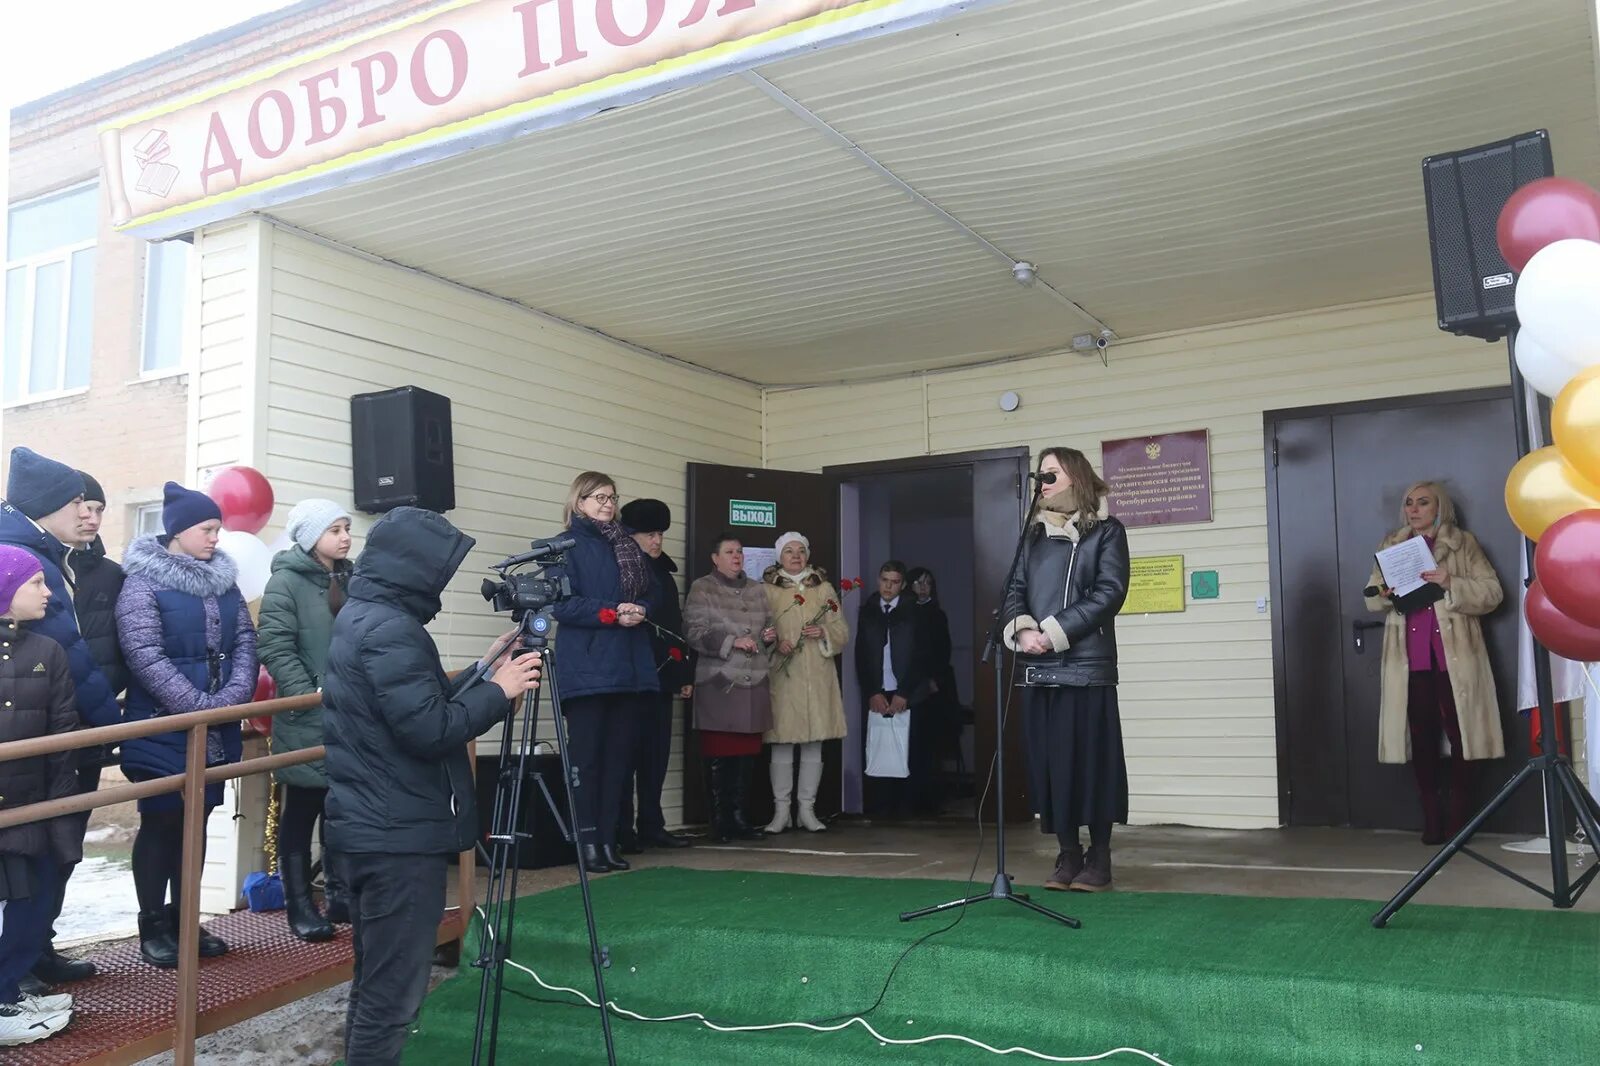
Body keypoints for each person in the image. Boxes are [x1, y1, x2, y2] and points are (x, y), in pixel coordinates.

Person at [322, 505, 539, 1066]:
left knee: (379, 985)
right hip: (396, 839)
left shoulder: (369, 615)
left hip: (380, 827)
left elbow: (413, 701)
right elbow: (429, 728)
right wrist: (502, 691)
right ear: (414, 569)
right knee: (390, 997)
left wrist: (484, 669)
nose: (443, 582)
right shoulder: (390, 628)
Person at [117, 482, 259, 967]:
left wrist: (230, 700)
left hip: (213, 729)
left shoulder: (224, 581)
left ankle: (185, 919)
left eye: (218, 528)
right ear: (178, 531)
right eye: (207, 528)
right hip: (161, 727)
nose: (216, 537)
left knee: (197, 822)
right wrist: (197, 705)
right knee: (161, 822)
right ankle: (153, 925)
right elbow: (144, 654)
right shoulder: (143, 582)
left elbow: (244, 641)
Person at [0, 448, 121, 987]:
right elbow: (67, 649)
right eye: (76, 502)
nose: (87, 514)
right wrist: (105, 727)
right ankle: (14, 970)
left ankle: (32, 954)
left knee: (51, 854)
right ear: (46, 506)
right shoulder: (27, 556)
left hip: (55, 730)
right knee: (30, 861)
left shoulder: (50, 553)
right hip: (41, 739)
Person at [1003, 448, 1129, 893]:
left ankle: (1099, 857)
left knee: (1092, 766)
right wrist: (1022, 632)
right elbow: (1015, 591)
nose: (1043, 481)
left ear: (1074, 477)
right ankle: (1068, 853)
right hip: (1039, 670)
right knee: (1052, 768)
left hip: (1086, 670)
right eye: (1040, 474)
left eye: (1051, 474)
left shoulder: (1107, 532)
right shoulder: (1031, 537)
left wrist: (1054, 631)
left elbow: (1109, 592)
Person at [1365, 481, 1504, 845]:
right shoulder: (1391, 545)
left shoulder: (1463, 543)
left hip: (1455, 659)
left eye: (1423, 503)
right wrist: (1382, 593)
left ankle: (1459, 818)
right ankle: (1431, 817)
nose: (1414, 509)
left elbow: (1493, 592)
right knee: (1421, 739)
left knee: (1465, 738)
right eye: (1409, 503)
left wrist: (1450, 581)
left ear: (1439, 507)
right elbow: (1369, 596)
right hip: (1411, 660)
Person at [548, 472, 658, 873]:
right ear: (579, 501)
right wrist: (612, 614)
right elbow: (562, 605)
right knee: (588, 761)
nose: (608, 503)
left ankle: (609, 841)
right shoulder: (564, 547)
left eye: (612, 497)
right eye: (599, 497)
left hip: (628, 666)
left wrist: (642, 608)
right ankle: (587, 842)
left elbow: (649, 592)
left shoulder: (626, 544)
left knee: (618, 760)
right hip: (589, 668)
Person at [257, 499, 355, 942]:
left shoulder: (350, 578)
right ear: (310, 536)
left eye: (346, 528)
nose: (345, 537)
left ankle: (341, 896)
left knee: (342, 808)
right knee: (302, 810)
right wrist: (307, 692)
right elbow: (275, 645)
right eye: (335, 530)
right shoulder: (285, 583)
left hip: (350, 713)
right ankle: (299, 903)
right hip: (307, 715)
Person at [0, 546, 81, 1046]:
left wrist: (60, 815)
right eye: (36, 583)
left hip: (33, 806)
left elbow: (64, 735)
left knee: (34, 904)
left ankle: (7, 988)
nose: (48, 592)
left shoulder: (47, 652)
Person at [684, 533, 776, 841]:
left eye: (739, 552)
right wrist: (731, 641)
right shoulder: (703, 587)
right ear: (715, 558)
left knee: (746, 757)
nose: (736, 556)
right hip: (720, 682)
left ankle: (739, 818)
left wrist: (768, 637)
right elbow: (694, 632)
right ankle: (720, 822)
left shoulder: (757, 590)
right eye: (729, 552)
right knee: (721, 754)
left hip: (755, 681)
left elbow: (765, 628)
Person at [617, 498, 693, 850]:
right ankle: (622, 829)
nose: (657, 541)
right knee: (626, 754)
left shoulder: (663, 573)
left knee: (655, 755)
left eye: (660, 533)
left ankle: (651, 823)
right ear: (630, 535)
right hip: (629, 677)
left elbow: (675, 626)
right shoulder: (622, 570)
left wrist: (683, 673)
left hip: (661, 676)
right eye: (650, 534)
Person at [761, 531, 847, 833]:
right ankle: (780, 812)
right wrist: (774, 642)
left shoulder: (824, 590)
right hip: (783, 674)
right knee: (781, 743)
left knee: (813, 743)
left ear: (808, 555)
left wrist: (824, 633)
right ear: (779, 556)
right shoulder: (768, 591)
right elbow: (760, 628)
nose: (795, 555)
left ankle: (807, 810)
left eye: (800, 550)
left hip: (816, 675)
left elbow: (840, 629)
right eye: (788, 551)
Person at [855, 560, 936, 817]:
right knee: (879, 747)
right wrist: (872, 691)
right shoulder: (868, 610)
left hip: (909, 691)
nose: (888, 586)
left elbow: (922, 655)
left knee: (911, 750)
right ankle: (881, 808)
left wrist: (905, 693)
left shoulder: (915, 611)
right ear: (878, 580)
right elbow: (862, 655)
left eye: (895, 582)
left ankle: (909, 808)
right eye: (885, 581)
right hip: (879, 690)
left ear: (902, 585)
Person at [907, 566, 960, 813]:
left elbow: (941, 651)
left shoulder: (937, 614)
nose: (923, 587)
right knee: (912, 743)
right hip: (910, 686)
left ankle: (931, 799)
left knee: (931, 744)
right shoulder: (904, 612)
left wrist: (931, 678)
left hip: (934, 686)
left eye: (928, 583)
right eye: (918, 582)